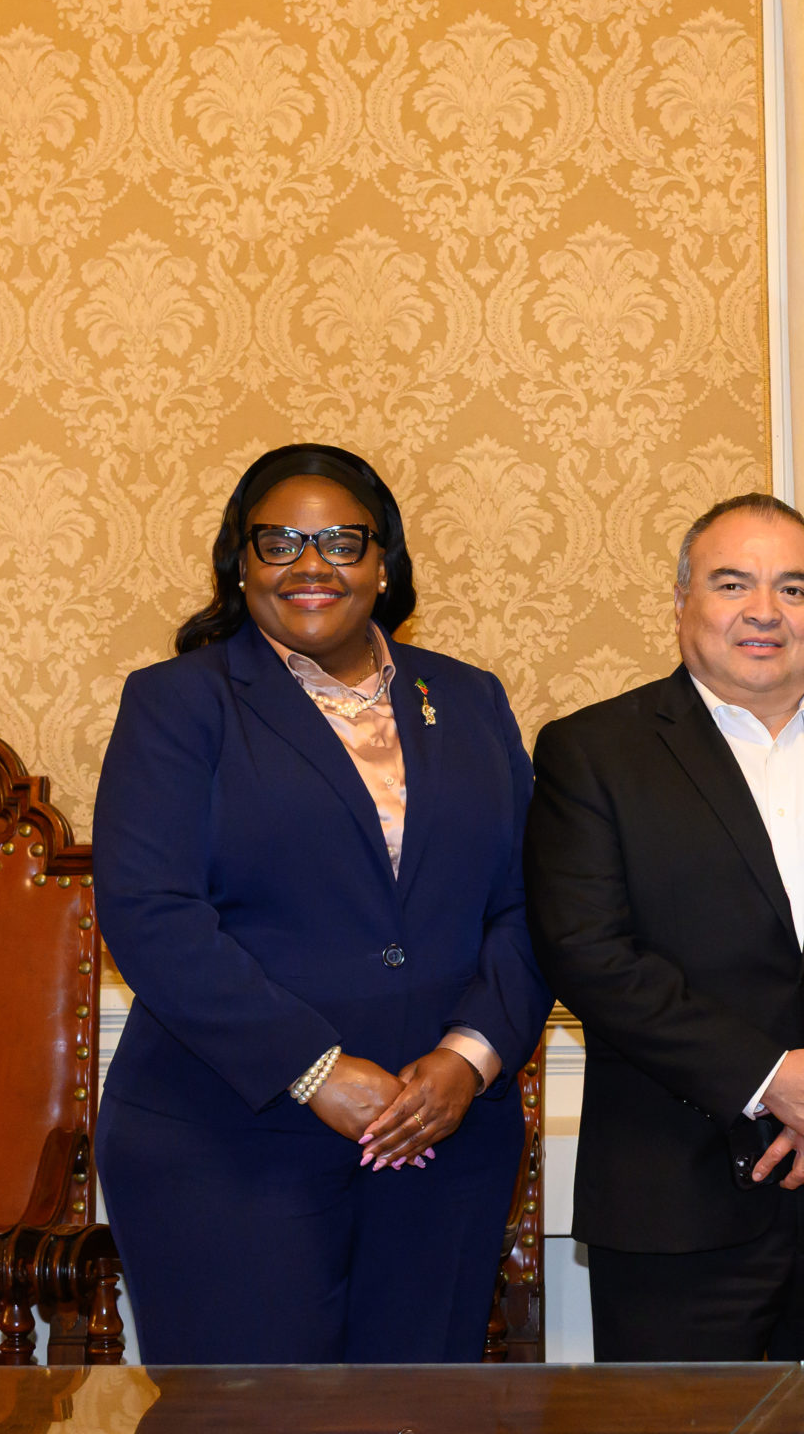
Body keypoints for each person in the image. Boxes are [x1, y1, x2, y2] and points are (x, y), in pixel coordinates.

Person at [91, 443, 550, 1363]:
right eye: (280, 543)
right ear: (241, 564)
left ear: (383, 564)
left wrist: (468, 1058)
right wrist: (315, 1069)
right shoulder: (178, 703)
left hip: (442, 1140)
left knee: (417, 1416)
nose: (311, 565)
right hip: (227, 1143)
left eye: (342, 542)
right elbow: (151, 912)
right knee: (250, 1420)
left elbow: (533, 903)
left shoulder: (468, 698)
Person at [525, 492, 804, 1362]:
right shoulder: (594, 751)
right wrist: (772, 1079)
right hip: (674, 1200)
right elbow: (589, 953)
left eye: (794, 588)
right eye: (733, 584)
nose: (765, 611)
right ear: (682, 600)